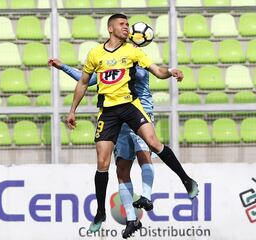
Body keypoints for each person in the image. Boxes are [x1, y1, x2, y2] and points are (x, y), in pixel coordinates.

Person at [66, 13, 199, 238]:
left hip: (130, 106)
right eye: (122, 24)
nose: (126, 28)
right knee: (102, 162)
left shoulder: (133, 51)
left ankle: (186, 180)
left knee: (153, 143)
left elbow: (157, 71)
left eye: (128, 24)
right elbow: (83, 82)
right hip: (108, 112)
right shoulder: (95, 53)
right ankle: (100, 213)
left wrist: (170, 72)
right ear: (110, 28)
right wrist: (72, 110)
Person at [48, 59, 155, 238]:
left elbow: (156, 72)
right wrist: (63, 66)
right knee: (121, 169)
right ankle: (131, 220)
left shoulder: (138, 61)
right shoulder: (112, 63)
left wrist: (171, 70)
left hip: (140, 115)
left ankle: (147, 196)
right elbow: (87, 80)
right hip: (118, 121)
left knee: (144, 155)